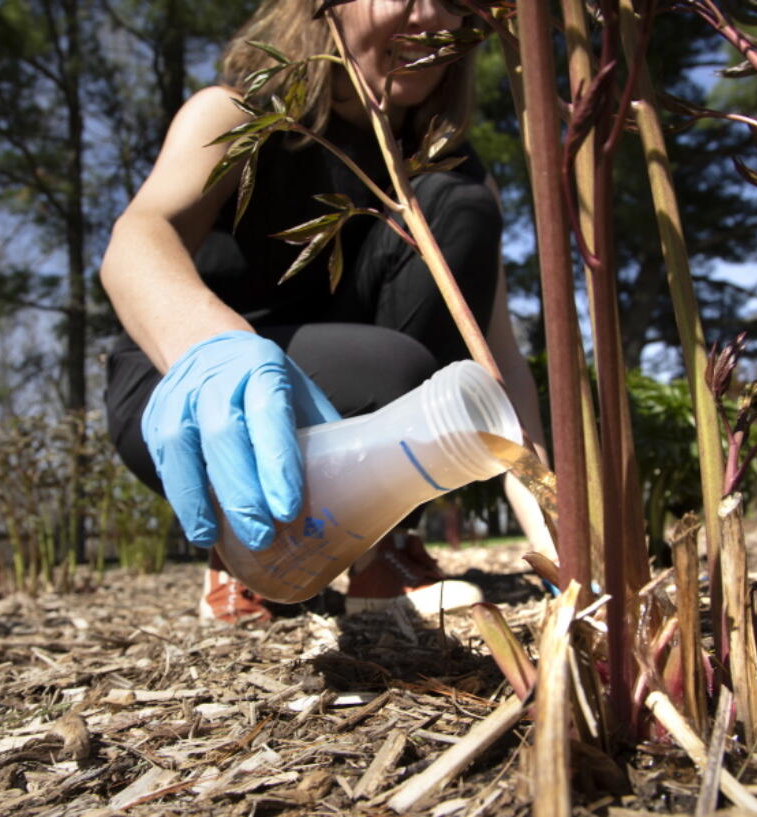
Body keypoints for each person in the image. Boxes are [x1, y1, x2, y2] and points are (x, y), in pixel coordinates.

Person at [100, 0, 551, 623]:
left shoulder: (453, 174)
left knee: (457, 209)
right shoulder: (238, 114)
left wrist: (550, 514)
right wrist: (214, 348)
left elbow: (495, 354)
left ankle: (378, 550)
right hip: (182, 386)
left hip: (371, 383)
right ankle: (244, 550)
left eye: (454, 2)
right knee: (395, 374)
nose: (435, 21)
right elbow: (137, 239)